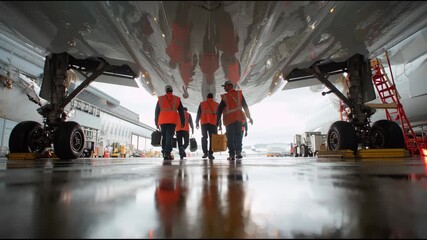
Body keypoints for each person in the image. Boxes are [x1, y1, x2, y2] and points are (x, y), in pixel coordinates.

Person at [216, 81, 253, 161]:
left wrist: (217, 122)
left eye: (225, 86)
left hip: (229, 120)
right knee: (238, 136)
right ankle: (238, 152)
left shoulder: (225, 97)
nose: (224, 88)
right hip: (238, 119)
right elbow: (245, 106)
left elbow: (219, 110)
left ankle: (232, 155)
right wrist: (249, 117)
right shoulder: (239, 94)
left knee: (230, 138)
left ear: (230, 86)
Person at [155, 85, 185, 160]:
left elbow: (157, 111)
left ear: (166, 91)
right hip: (172, 120)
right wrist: (183, 120)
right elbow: (181, 111)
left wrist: (156, 122)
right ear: (172, 90)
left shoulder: (161, 99)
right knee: (169, 136)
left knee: (164, 136)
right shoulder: (177, 99)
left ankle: (164, 152)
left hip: (162, 120)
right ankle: (167, 153)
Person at [196, 93, 219, 160]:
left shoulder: (202, 104)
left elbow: (198, 113)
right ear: (213, 97)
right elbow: (218, 115)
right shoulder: (216, 104)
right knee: (212, 139)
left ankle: (205, 153)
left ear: (207, 97)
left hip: (204, 123)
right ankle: (211, 154)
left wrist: (197, 122)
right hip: (213, 123)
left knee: (204, 138)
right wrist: (219, 125)